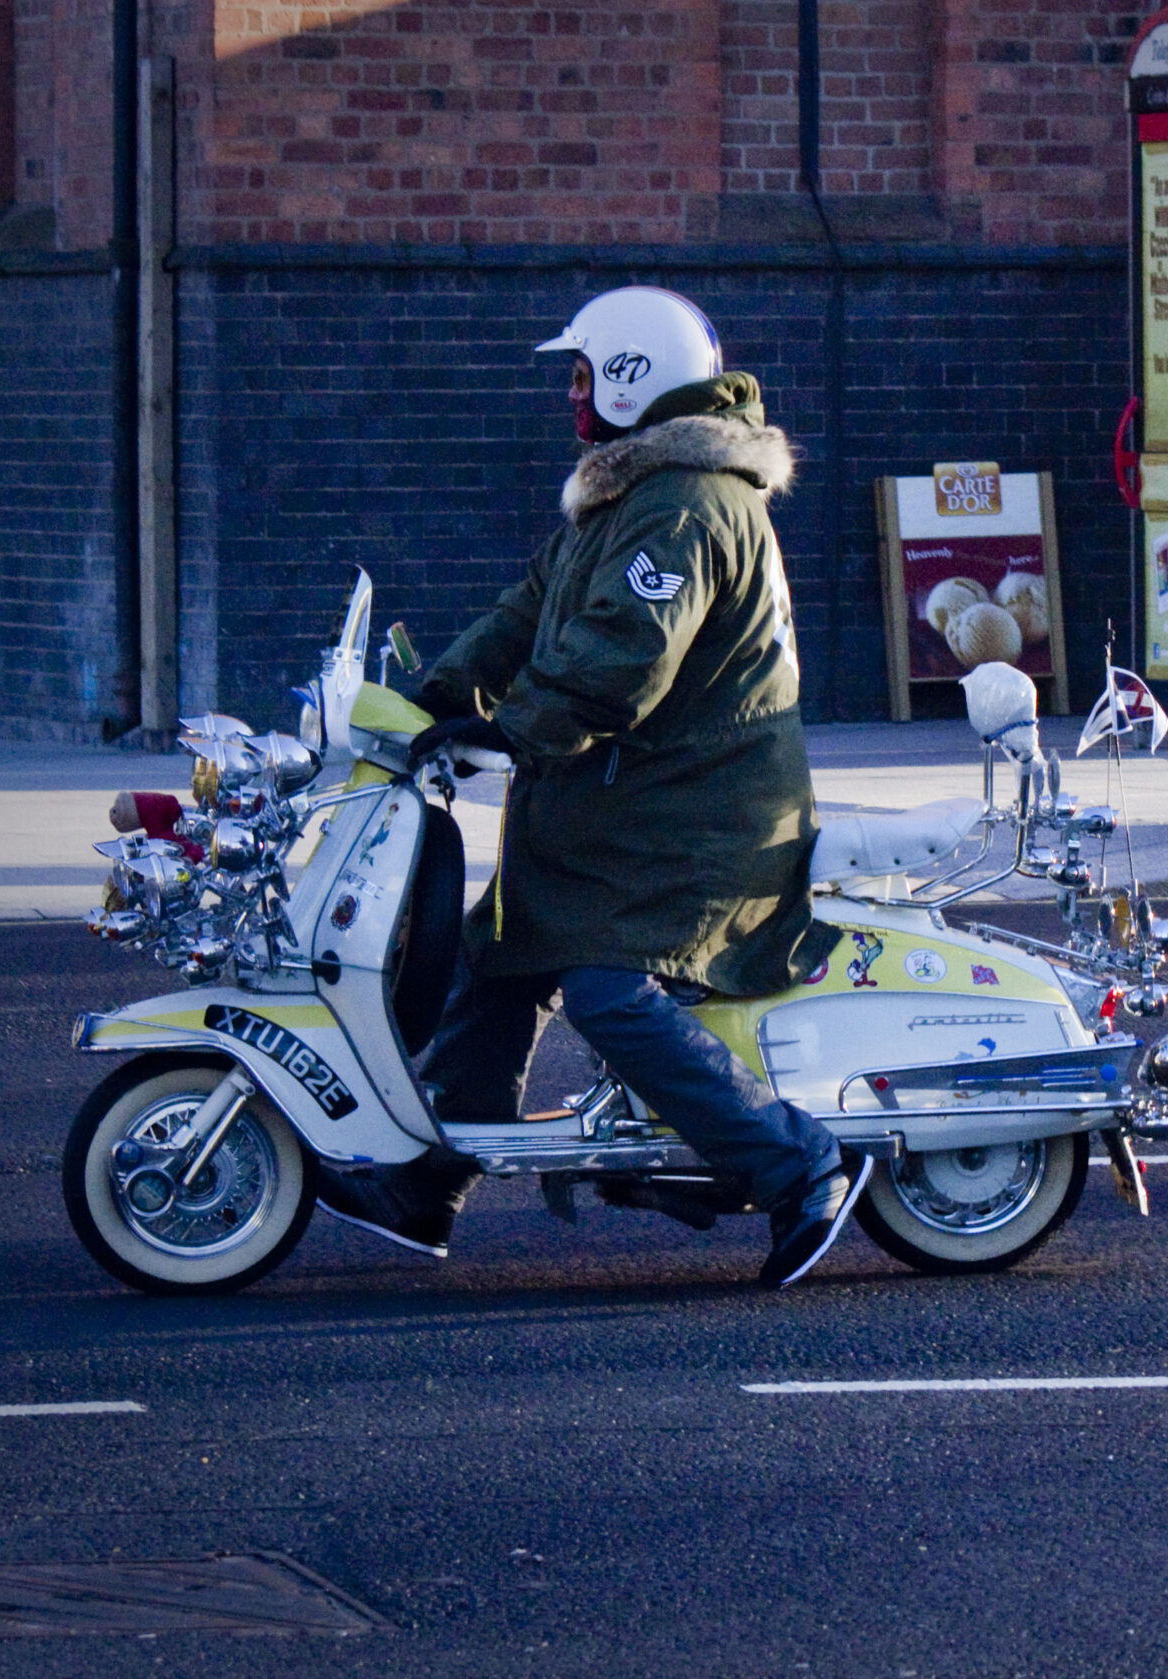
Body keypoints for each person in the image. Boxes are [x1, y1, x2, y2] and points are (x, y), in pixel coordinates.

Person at [314, 285, 870, 1290]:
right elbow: (522, 613)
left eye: (582, 375)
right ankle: (425, 1182)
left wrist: (512, 725)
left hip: (702, 820)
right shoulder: (624, 495)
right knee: (495, 959)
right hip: (623, 808)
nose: (570, 397)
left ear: (630, 379)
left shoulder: (690, 503)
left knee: (610, 991)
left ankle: (798, 1162)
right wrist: (431, 701)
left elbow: (624, 659)